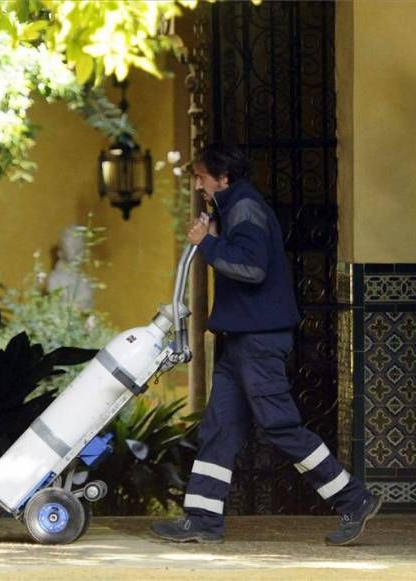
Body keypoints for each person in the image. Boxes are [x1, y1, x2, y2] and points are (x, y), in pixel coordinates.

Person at [150, 143, 381, 546]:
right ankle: (203, 519)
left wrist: (206, 242)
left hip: (257, 342)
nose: (198, 185)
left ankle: (352, 498)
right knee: (219, 428)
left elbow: (251, 268)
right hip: (240, 340)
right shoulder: (234, 209)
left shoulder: (244, 207)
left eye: (202, 177)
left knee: (279, 425)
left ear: (223, 178)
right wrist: (215, 238)